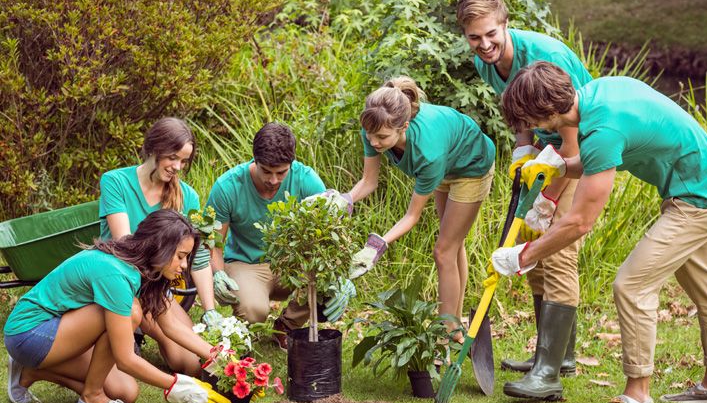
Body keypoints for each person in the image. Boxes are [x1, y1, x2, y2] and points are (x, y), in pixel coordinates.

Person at [493, 61, 707, 403]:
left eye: (531, 120)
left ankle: (637, 396)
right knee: (706, 289)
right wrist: (559, 166)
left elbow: (579, 222)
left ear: (547, 111)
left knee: (631, 285)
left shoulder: (603, 128)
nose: (531, 129)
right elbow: (596, 160)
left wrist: (524, 255)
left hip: (698, 202)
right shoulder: (599, 95)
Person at [456, 0, 594, 391]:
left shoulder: (544, 56)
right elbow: (519, 110)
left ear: (505, 24)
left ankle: (550, 373)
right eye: (474, 38)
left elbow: (573, 135)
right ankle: (552, 355)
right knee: (530, 244)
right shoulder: (489, 61)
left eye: (491, 35)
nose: (484, 45)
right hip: (543, 153)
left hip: (581, 152)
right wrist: (522, 154)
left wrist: (547, 198)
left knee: (558, 250)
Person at [4, 210, 230, 403]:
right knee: (132, 312)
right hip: (30, 333)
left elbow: (170, 325)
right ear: (159, 246)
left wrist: (220, 357)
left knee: (125, 392)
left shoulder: (145, 267)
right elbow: (125, 360)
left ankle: (31, 371)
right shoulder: (116, 273)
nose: (183, 265)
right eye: (180, 256)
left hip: (60, 329)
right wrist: (179, 385)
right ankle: (91, 399)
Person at [347, 76, 496, 342]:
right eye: (370, 135)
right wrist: (343, 200)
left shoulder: (427, 152)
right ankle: (456, 326)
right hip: (447, 161)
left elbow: (412, 216)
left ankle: (447, 334)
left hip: (471, 166)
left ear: (404, 126)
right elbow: (368, 182)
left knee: (443, 251)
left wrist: (377, 245)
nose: (374, 142)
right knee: (452, 245)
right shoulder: (373, 125)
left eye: (382, 137)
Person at [206, 122, 352, 350]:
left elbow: (329, 237)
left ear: (291, 164)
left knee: (324, 284)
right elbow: (214, 243)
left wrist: (341, 280)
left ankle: (287, 326)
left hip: (292, 263)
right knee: (255, 311)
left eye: (281, 172)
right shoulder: (227, 186)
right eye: (266, 171)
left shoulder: (307, 180)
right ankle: (247, 327)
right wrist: (216, 274)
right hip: (246, 264)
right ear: (254, 160)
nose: (273, 180)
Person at [99, 117, 218, 376]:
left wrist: (210, 311)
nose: (177, 167)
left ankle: (136, 335)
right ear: (153, 149)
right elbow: (125, 244)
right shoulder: (115, 182)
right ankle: (127, 336)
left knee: (188, 364)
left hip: (156, 288)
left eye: (184, 161)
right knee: (134, 373)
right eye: (172, 158)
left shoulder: (187, 196)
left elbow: (197, 260)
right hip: (123, 282)